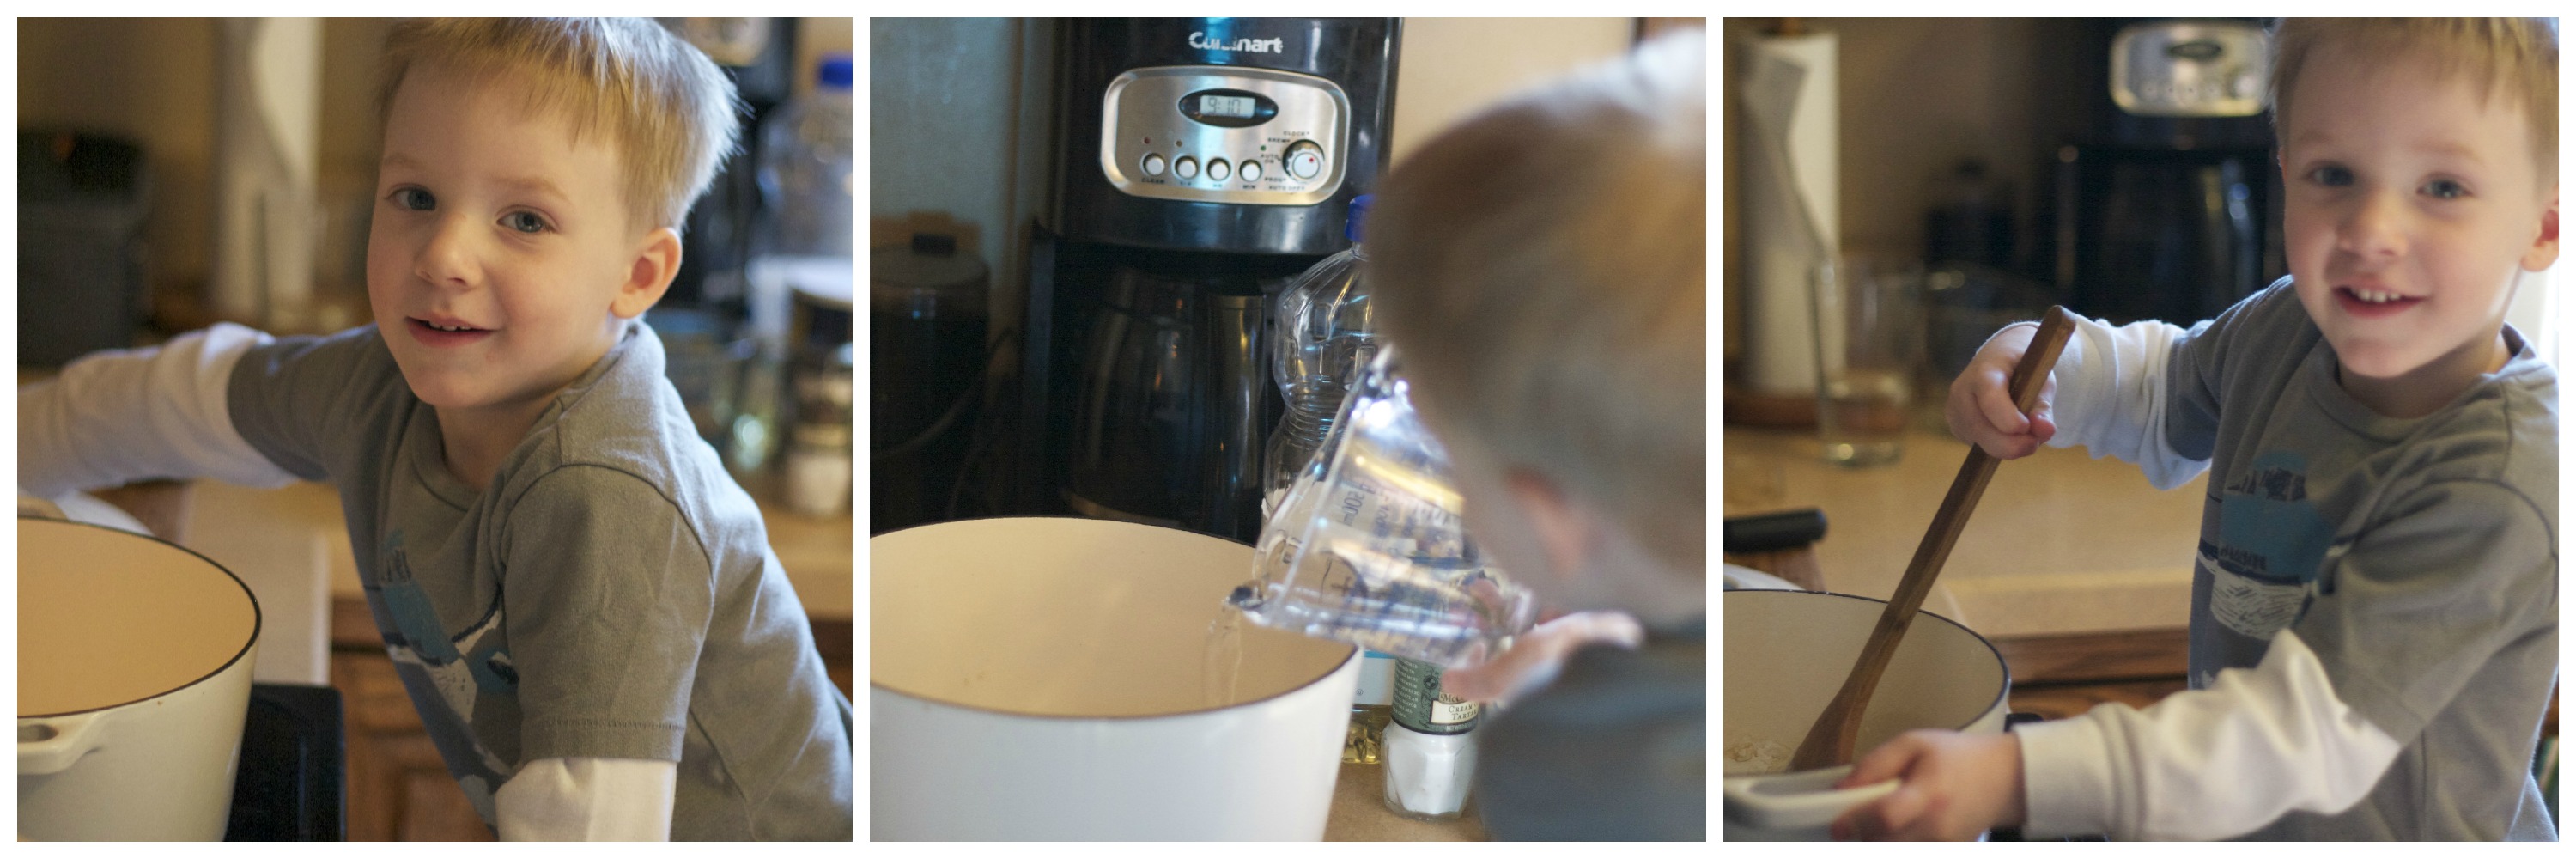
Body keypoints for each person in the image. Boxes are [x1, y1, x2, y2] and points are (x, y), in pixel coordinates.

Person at [18, 19, 852, 840]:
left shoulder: (608, 499)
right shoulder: (378, 389)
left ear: (638, 274)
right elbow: (181, 398)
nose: (443, 255)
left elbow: (591, 829)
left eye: (525, 220)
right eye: (416, 197)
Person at [1835, 17, 2558, 840]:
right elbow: (2162, 384)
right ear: (2283, 171)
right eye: (2333, 174)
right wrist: (2035, 364)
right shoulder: (2286, 331)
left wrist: (2018, 775)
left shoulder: (2501, 479)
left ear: (2543, 224)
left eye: (2444, 188)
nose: (2371, 232)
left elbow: (2299, 737)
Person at [1364, 32, 1707, 839]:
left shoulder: (1568, 766)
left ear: (1548, 517)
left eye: (1454, 464)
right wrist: (1619, 644)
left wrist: (1574, 708)